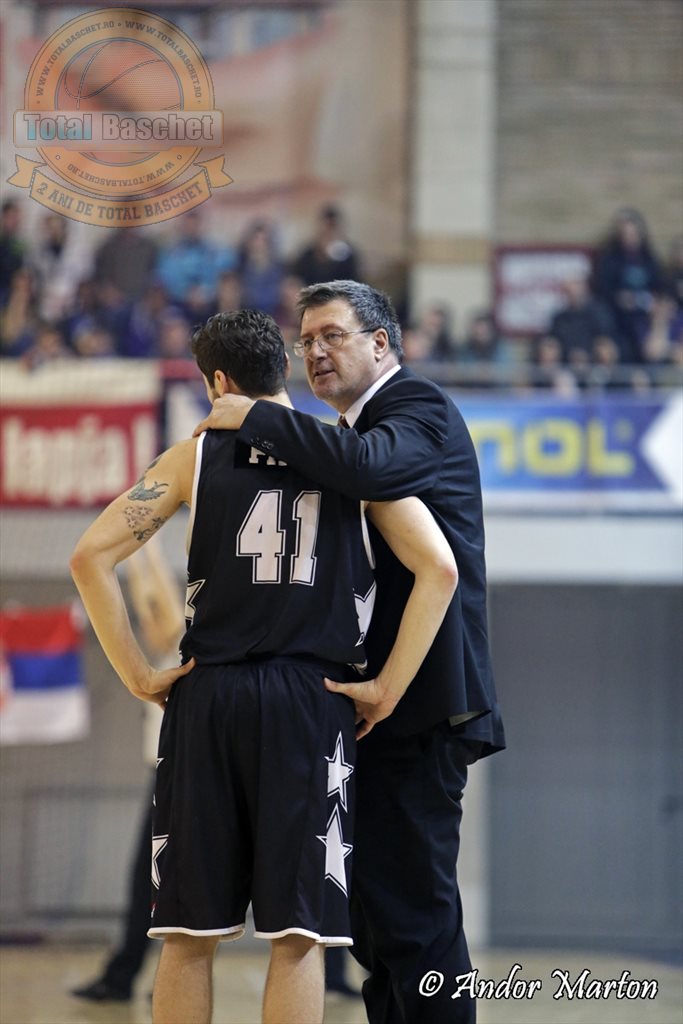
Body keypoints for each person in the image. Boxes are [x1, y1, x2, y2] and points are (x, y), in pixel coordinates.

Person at [70, 308, 458, 1024]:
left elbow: (89, 556)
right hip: (310, 701)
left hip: (209, 696)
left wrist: (139, 676)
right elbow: (440, 568)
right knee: (298, 936)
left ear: (218, 382)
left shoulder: (191, 458)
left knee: (186, 935)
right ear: (283, 367)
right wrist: (385, 688)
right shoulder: (349, 456)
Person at [193, 281, 506, 1023]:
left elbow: (369, 468)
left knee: (416, 921)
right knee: (375, 924)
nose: (315, 352)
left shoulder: (416, 407)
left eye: (332, 335)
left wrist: (258, 416)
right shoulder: (346, 433)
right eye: (305, 341)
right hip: (369, 712)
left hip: (420, 705)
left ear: (381, 342)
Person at [71, 541, 185, 1004]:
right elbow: (152, 607)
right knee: (147, 881)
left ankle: (129, 975)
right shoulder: (166, 649)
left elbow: (163, 608)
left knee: (150, 881)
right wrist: (140, 555)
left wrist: (147, 548)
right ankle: (124, 974)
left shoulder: (181, 639)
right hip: (168, 775)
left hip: (180, 776)